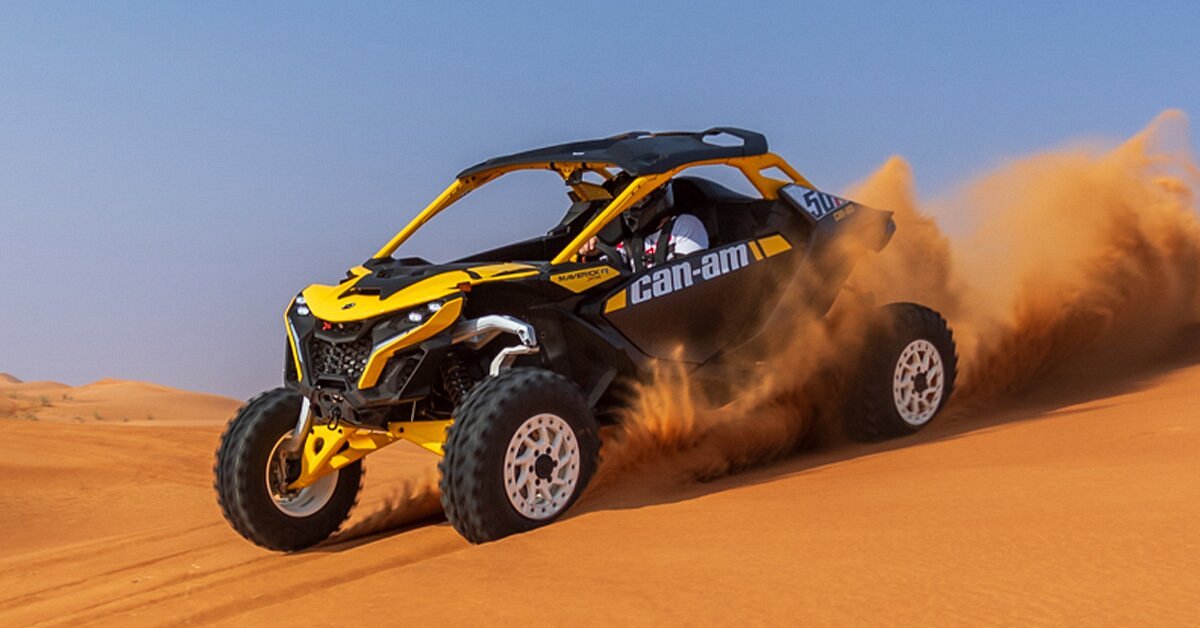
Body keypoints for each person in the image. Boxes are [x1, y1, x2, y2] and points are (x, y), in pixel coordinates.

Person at [578, 181, 708, 270]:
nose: (631, 208)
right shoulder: (629, 241)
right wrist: (594, 253)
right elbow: (612, 269)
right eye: (628, 203)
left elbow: (690, 279)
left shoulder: (685, 225)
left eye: (638, 200)